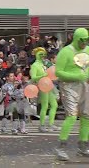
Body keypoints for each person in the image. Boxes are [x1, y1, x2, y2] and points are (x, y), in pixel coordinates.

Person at [55, 28, 89, 160]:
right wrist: (76, 76)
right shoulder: (65, 52)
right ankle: (61, 148)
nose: (84, 43)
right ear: (76, 39)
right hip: (68, 86)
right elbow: (58, 72)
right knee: (72, 116)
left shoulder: (87, 50)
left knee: (86, 116)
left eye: (87, 40)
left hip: (84, 85)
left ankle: (83, 146)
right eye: (83, 40)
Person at [30, 47, 59, 132]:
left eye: (44, 54)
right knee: (45, 106)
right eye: (40, 54)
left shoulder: (44, 64)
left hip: (48, 85)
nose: (43, 56)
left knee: (54, 105)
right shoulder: (35, 65)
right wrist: (44, 75)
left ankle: (51, 124)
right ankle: (42, 125)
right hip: (42, 86)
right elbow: (33, 78)